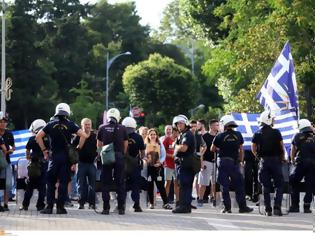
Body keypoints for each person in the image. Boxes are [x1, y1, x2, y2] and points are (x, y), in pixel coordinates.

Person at [36, 103, 87, 214]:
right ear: (67, 112)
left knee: (50, 182)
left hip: (53, 157)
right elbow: (84, 135)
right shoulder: (70, 124)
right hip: (65, 159)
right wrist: (78, 148)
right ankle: (60, 207)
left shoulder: (50, 124)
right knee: (64, 182)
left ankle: (49, 207)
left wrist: (44, 150)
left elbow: (38, 136)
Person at [211, 115, 253, 214]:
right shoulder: (238, 134)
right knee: (239, 185)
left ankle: (227, 208)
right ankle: (243, 207)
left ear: (224, 125)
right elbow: (241, 150)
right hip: (235, 163)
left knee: (224, 185)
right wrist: (241, 161)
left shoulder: (220, 136)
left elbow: (212, 148)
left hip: (223, 162)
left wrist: (220, 147)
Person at [251, 111, 285, 216]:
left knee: (265, 186)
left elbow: (253, 148)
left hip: (264, 161)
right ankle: (277, 208)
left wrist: (258, 156)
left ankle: (268, 209)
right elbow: (281, 147)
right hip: (275, 161)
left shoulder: (257, 133)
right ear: (268, 120)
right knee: (279, 185)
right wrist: (282, 158)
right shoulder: (276, 132)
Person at [97, 108, 128, 215]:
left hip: (107, 156)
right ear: (118, 117)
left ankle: (106, 208)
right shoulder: (123, 128)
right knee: (120, 182)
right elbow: (125, 144)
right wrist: (122, 155)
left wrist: (101, 154)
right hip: (119, 156)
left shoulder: (102, 128)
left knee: (105, 182)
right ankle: (121, 208)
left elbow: (99, 144)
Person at [19, 119, 48, 211]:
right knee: (42, 186)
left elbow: (27, 150)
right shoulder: (47, 138)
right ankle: (40, 205)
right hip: (43, 164)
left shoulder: (32, 139)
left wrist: (28, 157)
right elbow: (49, 151)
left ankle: (25, 205)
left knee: (30, 186)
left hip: (33, 165)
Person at [289, 119, 315, 213]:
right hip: (312, 164)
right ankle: (307, 207)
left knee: (294, 181)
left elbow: (293, 150)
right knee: (310, 185)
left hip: (301, 163)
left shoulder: (297, 136)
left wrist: (292, 160)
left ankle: (295, 206)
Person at [172, 115, 195, 214]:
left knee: (184, 185)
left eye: (181, 123)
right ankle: (185, 206)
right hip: (184, 163)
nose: (179, 125)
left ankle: (183, 206)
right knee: (185, 185)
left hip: (185, 164)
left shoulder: (187, 135)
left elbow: (184, 148)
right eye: (177, 124)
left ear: (185, 123)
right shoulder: (182, 134)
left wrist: (175, 146)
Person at [72, 118, 97, 210]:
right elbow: (73, 151)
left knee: (92, 185)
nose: (87, 126)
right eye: (85, 124)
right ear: (82, 125)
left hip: (91, 163)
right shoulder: (77, 136)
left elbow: (99, 147)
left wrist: (98, 155)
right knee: (80, 185)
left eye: (89, 124)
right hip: (81, 163)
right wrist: (73, 163)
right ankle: (81, 203)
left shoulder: (95, 136)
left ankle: (92, 204)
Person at [145, 128, 172, 210]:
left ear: (156, 135)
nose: (153, 136)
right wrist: (146, 159)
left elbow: (163, 155)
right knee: (150, 185)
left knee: (160, 186)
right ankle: (151, 203)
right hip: (149, 167)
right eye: (151, 134)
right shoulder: (145, 144)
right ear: (148, 136)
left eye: (154, 134)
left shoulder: (160, 144)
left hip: (158, 168)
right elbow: (143, 155)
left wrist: (160, 162)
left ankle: (166, 203)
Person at [122, 117, 145, 212]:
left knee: (122, 184)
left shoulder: (120, 135)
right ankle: (136, 205)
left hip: (123, 163)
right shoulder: (138, 137)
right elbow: (142, 152)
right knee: (136, 184)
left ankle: (121, 204)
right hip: (135, 164)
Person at [198, 119, 219, 207]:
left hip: (216, 162)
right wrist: (201, 163)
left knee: (215, 183)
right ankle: (200, 199)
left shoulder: (219, 136)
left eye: (218, 125)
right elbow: (200, 150)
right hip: (206, 161)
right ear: (211, 126)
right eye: (216, 125)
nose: (218, 126)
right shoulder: (204, 136)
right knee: (204, 183)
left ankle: (214, 199)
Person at [0, 111, 15, 211]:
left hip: (6, 162)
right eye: (1, 121)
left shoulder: (9, 134)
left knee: (7, 184)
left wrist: (10, 151)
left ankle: (5, 204)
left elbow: (13, 147)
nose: (3, 123)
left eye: (5, 121)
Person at [163, 127, 179, 205]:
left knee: (177, 183)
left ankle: (178, 201)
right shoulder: (167, 139)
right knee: (168, 183)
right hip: (168, 165)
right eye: (177, 132)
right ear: (174, 132)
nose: (178, 134)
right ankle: (165, 201)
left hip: (177, 165)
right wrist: (171, 155)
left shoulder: (178, 140)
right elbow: (163, 152)